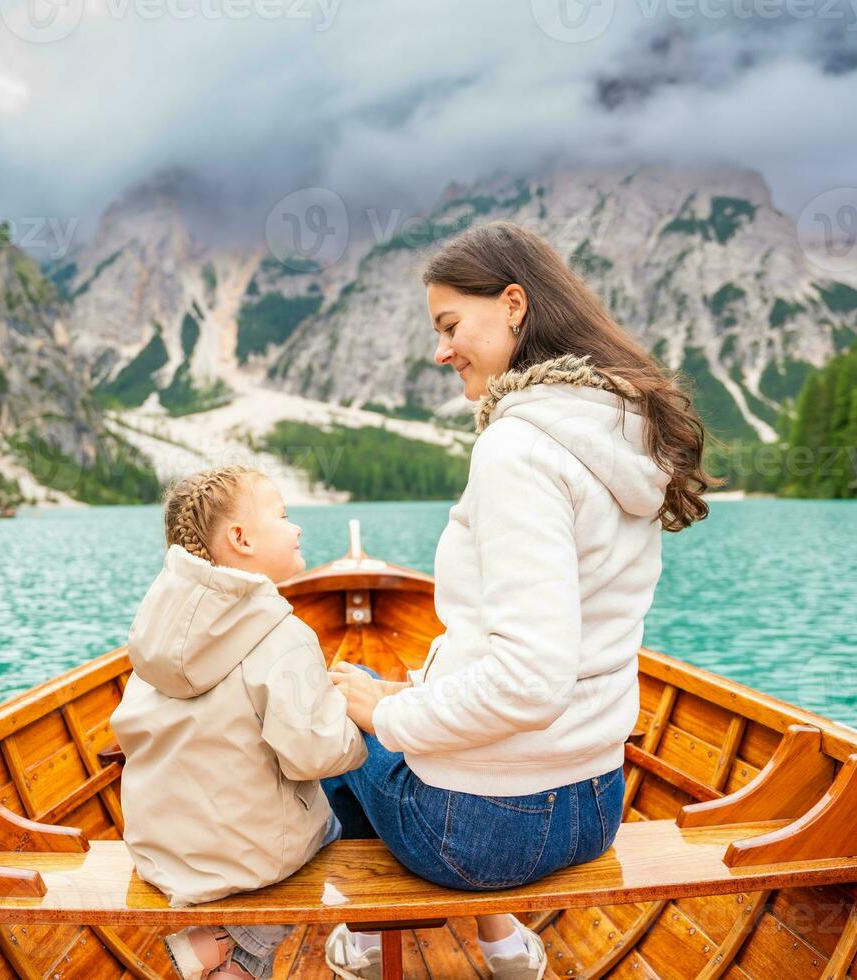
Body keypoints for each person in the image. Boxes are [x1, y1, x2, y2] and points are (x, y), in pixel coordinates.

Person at [321, 221, 717, 980]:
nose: (441, 351)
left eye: (449, 326)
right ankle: (505, 947)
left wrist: (386, 711)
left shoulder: (519, 447)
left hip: (485, 831)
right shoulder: (617, 429)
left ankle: (367, 943)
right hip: (595, 804)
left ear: (512, 304)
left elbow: (530, 678)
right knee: (383, 715)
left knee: (335, 724)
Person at [109, 466, 367, 980]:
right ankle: (232, 943)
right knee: (342, 820)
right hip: (246, 859)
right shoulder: (281, 634)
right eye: (284, 515)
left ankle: (221, 955)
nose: (297, 528)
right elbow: (315, 755)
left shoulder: (154, 637)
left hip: (160, 854)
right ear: (241, 539)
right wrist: (358, 724)